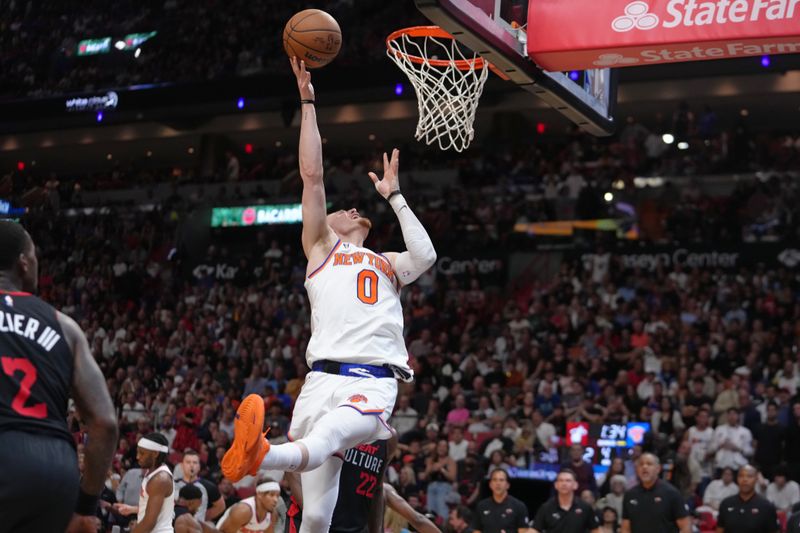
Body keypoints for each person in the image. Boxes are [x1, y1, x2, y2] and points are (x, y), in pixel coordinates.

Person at [221, 57, 436, 533]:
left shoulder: (386, 262)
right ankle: (266, 453)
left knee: (331, 431)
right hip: (319, 379)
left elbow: (425, 256)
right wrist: (308, 100)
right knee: (317, 514)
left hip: (370, 380)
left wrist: (395, 197)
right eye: (343, 209)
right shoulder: (321, 248)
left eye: (356, 208)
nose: (351, 208)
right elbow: (312, 174)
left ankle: (263, 453)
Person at [0, 221, 118, 532]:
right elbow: (105, 424)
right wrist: (84, 507)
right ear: (24, 263)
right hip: (50, 468)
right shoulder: (64, 326)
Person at [285, 436, 439, 533]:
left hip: (355, 527)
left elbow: (377, 489)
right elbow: (291, 469)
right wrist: (315, 516)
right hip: (312, 522)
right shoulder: (337, 420)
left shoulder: (388, 438)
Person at [113, 433, 175, 533]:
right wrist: (133, 509)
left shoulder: (160, 479)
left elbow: (149, 523)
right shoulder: (152, 473)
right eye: (137, 452)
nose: (137, 457)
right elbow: (159, 509)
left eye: (142, 453)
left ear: (155, 454)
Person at [621, 453, 690, 533]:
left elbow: (685, 527)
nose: (644, 467)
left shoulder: (672, 493)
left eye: (649, 464)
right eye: (641, 464)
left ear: (658, 469)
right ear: (637, 469)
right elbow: (625, 528)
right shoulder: (630, 495)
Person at [532, 469, 600, 533]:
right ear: (556, 485)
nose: (564, 484)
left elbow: (595, 530)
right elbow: (534, 530)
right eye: (561, 480)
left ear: (575, 485)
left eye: (568, 480)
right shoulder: (546, 508)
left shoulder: (585, 508)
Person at [716, 465, 779, 533]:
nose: (745, 480)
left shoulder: (767, 507)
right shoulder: (726, 504)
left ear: (756, 479)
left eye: (749, 476)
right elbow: (720, 530)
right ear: (737, 479)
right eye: (741, 476)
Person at [472, 468, 529, 533]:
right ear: (490, 484)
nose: (498, 483)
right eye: (495, 480)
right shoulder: (481, 506)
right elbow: (477, 531)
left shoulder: (519, 506)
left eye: (501, 480)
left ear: (507, 485)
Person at [175, 448, 226, 521]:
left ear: (199, 467)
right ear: (182, 466)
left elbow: (221, 506)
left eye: (195, 462)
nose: (191, 465)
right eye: (188, 462)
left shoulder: (209, 486)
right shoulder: (173, 484)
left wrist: (203, 518)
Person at [215, 477, 280, 533]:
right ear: (259, 494)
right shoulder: (243, 511)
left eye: (277, 496)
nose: (275, 500)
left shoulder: (273, 515)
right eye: (271, 495)